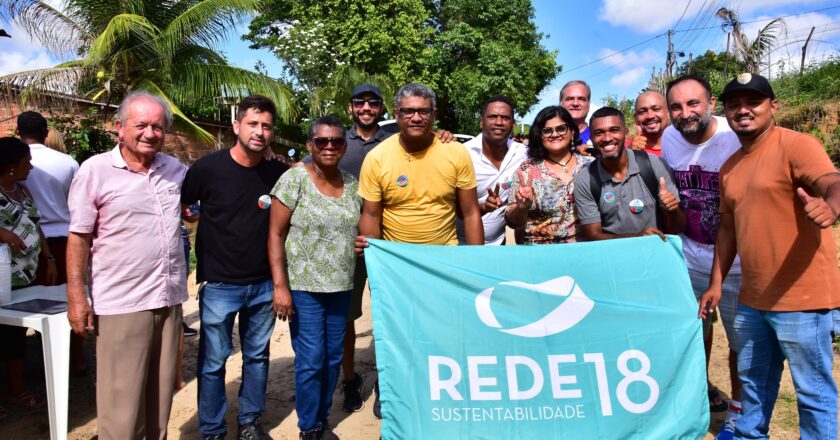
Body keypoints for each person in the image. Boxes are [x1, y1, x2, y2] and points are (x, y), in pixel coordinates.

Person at [699, 73, 840, 440]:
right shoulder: (730, 167)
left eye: (754, 102)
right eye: (734, 105)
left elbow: (832, 182)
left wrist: (831, 206)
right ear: (726, 112)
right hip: (753, 297)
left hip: (802, 299)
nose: (743, 110)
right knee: (753, 385)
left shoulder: (797, 145)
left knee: (813, 392)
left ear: (772, 106)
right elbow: (727, 229)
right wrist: (715, 283)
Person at [354, 83, 483, 420]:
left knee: (443, 331)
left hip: (444, 261)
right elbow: (370, 214)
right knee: (393, 331)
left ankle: (438, 391)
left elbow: (470, 212)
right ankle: (390, 390)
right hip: (397, 266)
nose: (415, 117)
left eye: (423, 111)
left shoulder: (456, 154)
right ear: (395, 115)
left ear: (434, 115)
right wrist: (375, 260)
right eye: (408, 111)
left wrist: (478, 261)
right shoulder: (377, 158)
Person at [66, 91, 188, 440]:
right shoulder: (96, 171)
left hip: (168, 300)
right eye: (141, 125)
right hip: (122, 304)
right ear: (119, 127)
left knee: (159, 401)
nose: (150, 133)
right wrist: (77, 295)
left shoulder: (174, 170)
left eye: (158, 127)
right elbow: (79, 237)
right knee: (122, 410)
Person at [181, 95, 289, 440]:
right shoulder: (207, 169)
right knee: (213, 363)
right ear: (236, 126)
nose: (259, 132)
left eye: (266, 126)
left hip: (262, 284)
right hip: (219, 285)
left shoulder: (276, 172)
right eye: (253, 124)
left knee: (256, 358)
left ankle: (249, 423)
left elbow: (307, 171)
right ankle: (212, 430)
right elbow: (180, 205)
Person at [268, 115, 361, 440]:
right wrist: (280, 286)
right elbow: (275, 234)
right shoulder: (293, 180)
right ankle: (309, 427)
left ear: (344, 145)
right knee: (311, 359)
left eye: (336, 141)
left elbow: (362, 228)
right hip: (304, 287)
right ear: (310, 145)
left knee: (334, 356)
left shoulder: (352, 184)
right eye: (322, 141)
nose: (329, 146)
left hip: (340, 285)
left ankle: (320, 418)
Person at [661, 75, 744, 437]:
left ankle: (741, 412)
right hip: (690, 259)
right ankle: (699, 395)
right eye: (676, 106)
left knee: (742, 342)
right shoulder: (669, 138)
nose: (685, 113)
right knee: (696, 333)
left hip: (738, 263)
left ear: (710, 102)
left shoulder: (735, 136)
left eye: (693, 103)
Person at [16, 112, 86, 375]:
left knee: (24, 303)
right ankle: (76, 358)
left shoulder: (15, 162)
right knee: (70, 301)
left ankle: (26, 364)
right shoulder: (67, 162)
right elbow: (78, 201)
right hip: (64, 238)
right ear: (46, 132)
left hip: (26, 242)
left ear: (19, 133)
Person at [0, 136, 56, 419]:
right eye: (26, 162)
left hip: (27, 274)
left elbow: (38, 227)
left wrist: (49, 258)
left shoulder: (23, 192)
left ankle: (15, 387)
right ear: (11, 165)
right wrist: (2, 233)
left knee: (17, 334)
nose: (30, 167)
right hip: (2, 278)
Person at [573, 107, 685, 241]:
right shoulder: (585, 180)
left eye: (614, 130)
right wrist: (638, 238)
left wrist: (671, 210)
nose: (607, 138)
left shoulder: (654, 164)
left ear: (626, 134)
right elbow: (593, 235)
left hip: (656, 254)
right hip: (613, 256)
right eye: (599, 133)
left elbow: (679, 228)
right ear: (591, 137)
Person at [504, 106, 592, 244]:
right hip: (538, 253)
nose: (555, 134)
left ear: (572, 131)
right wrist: (521, 208)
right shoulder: (527, 170)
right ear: (539, 135)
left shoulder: (589, 166)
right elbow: (512, 222)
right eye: (547, 130)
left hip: (582, 251)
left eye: (561, 128)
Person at [459, 95, 527, 245]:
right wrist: (483, 207)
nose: (498, 122)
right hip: (461, 244)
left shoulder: (522, 153)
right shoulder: (463, 153)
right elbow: (449, 205)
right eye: (492, 117)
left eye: (505, 117)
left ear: (513, 124)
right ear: (482, 122)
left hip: (499, 243)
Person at [628, 90, 669, 157]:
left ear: (668, 112)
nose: (650, 116)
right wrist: (628, 156)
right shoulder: (625, 149)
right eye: (642, 112)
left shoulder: (684, 144)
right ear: (635, 117)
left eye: (656, 109)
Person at [559, 80, 593, 154]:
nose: (575, 103)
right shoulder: (548, 137)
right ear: (560, 103)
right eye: (570, 99)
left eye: (581, 99)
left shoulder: (598, 137)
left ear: (588, 104)